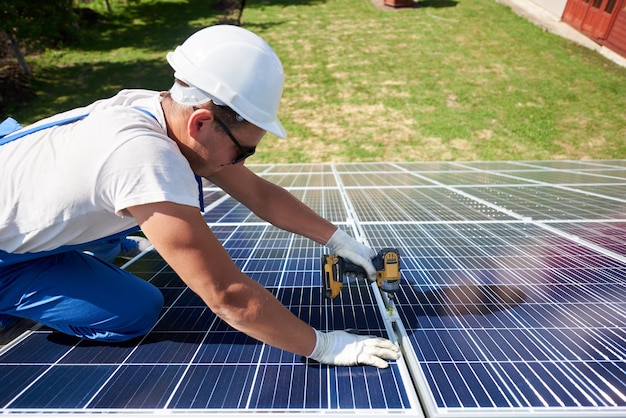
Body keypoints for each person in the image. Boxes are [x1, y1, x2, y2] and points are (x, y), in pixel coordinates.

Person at [0, 25, 399, 368]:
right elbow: (227, 296)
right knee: (134, 311)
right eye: (243, 151)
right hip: (5, 254)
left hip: (18, 197)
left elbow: (260, 194)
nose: (241, 162)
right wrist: (322, 345)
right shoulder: (144, 160)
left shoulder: (157, 108)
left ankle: (95, 243)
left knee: (114, 231)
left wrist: (339, 240)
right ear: (202, 122)